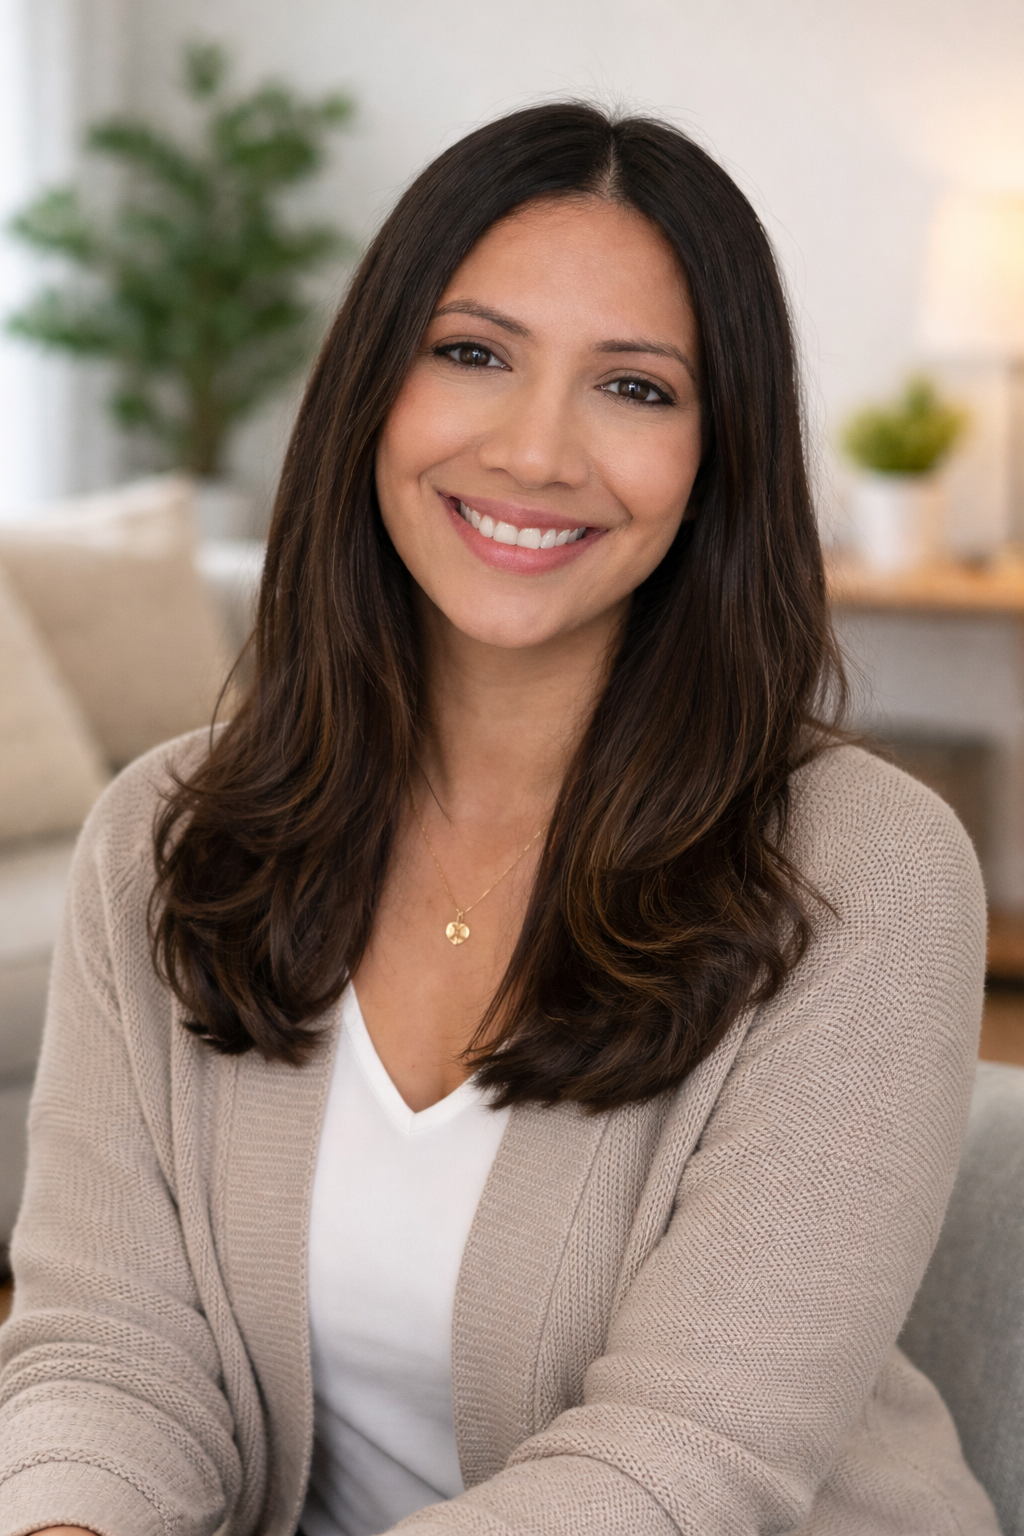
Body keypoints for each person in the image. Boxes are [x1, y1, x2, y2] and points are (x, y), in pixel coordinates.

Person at [0, 104, 1000, 1536]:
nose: (537, 451)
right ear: (374, 388)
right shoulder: (164, 835)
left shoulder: (868, 875)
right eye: (473, 354)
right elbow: (109, 1352)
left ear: (720, 456)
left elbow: (680, 1463)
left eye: (637, 389)